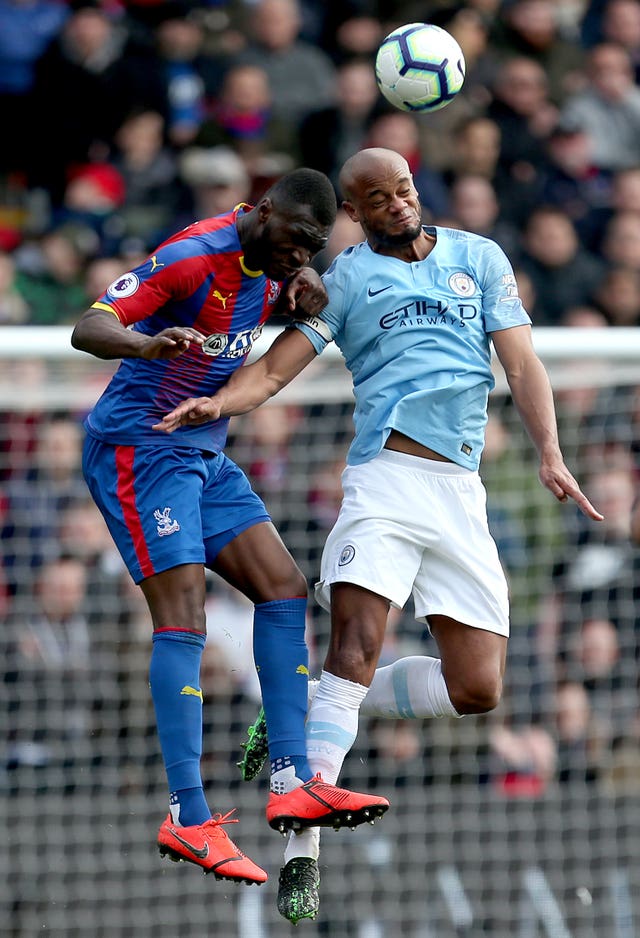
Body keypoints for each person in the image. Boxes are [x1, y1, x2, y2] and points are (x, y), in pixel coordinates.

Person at [154, 146, 604, 923]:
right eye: (377, 198)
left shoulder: (480, 257)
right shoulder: (349, 278)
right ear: (355, 214)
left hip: (461, 492)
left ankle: (294, 709)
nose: (397, 204)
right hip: (386, 484)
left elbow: (523, 366)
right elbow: (275, 371)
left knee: (477, 690)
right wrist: (220, 404)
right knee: (356, 645)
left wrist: (550, 453)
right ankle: (302, 850)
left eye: (403, 189)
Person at [70, 166, 389, 888]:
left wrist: (294, 287)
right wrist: (142, 345)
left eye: (314, 248)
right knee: (181, 617)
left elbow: (277, 284)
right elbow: (88, 326)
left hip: (201, 453)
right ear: (263, 209)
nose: (303, 256)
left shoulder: (272, 263)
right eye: (299, 241)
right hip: (140, 450)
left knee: (283, 587)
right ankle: (187, 816)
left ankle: (290, 779)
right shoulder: (191, 255)